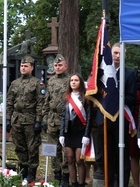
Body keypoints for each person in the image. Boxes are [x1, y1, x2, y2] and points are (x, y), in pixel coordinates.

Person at [93, 43, 136, 186]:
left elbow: (132, 99)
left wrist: (116, 98)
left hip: (121, 120)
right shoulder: (102, 72)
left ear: (124, 56)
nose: (117, 56)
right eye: (115, 53)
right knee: (106, 157)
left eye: (120, 53)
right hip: (103, 120)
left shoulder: (129, 74)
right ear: (110, 54)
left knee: (122, 157)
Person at [6, 55, 46, 182]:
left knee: (32, 147)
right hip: (17, 119)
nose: (23, 68)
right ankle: (23, 170)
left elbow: (41, 103)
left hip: (30, 119)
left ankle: (32, 172)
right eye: (22, 66)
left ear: (32, 68)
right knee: (19, 146)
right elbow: (9, 102)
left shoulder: (37, 83)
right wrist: (8, 119)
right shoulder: (14, 83)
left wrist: (39, 121)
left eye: (25, 66)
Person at [59, 74, 92, 187]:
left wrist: (87, 135)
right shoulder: (66, 97)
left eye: (76, 80)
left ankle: (81, 184)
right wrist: (61, 133)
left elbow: (89, 117)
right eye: (71, 80)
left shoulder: (86, 98)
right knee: (70, 159)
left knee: (79, 160)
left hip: (81, 133)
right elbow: (63, 117)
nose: (73, 82)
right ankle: (73, 183)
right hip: (69, 132)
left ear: (80, 82)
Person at [42, 54, 70, 184]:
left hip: (66, 119)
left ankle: (66, 174)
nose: (57, 67)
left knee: (66, 149)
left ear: (66, 66)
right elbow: (47, 101)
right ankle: (57, 174)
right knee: (53, 148)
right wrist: (44, 118)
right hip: (52, 119)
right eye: (56, 65)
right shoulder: (51, 81)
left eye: (60, 65)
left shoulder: (71, 80)